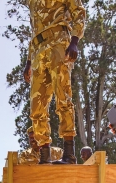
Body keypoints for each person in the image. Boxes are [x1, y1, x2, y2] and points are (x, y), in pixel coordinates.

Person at [23, 0, 87, 165]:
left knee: (63, 97)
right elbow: (34, 29)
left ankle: (69, 154)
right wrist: (28, 62)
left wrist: (74, 41)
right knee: (36, 108)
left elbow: (79, 12)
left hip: (58, 43)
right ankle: (44, 155)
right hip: (38, 51)